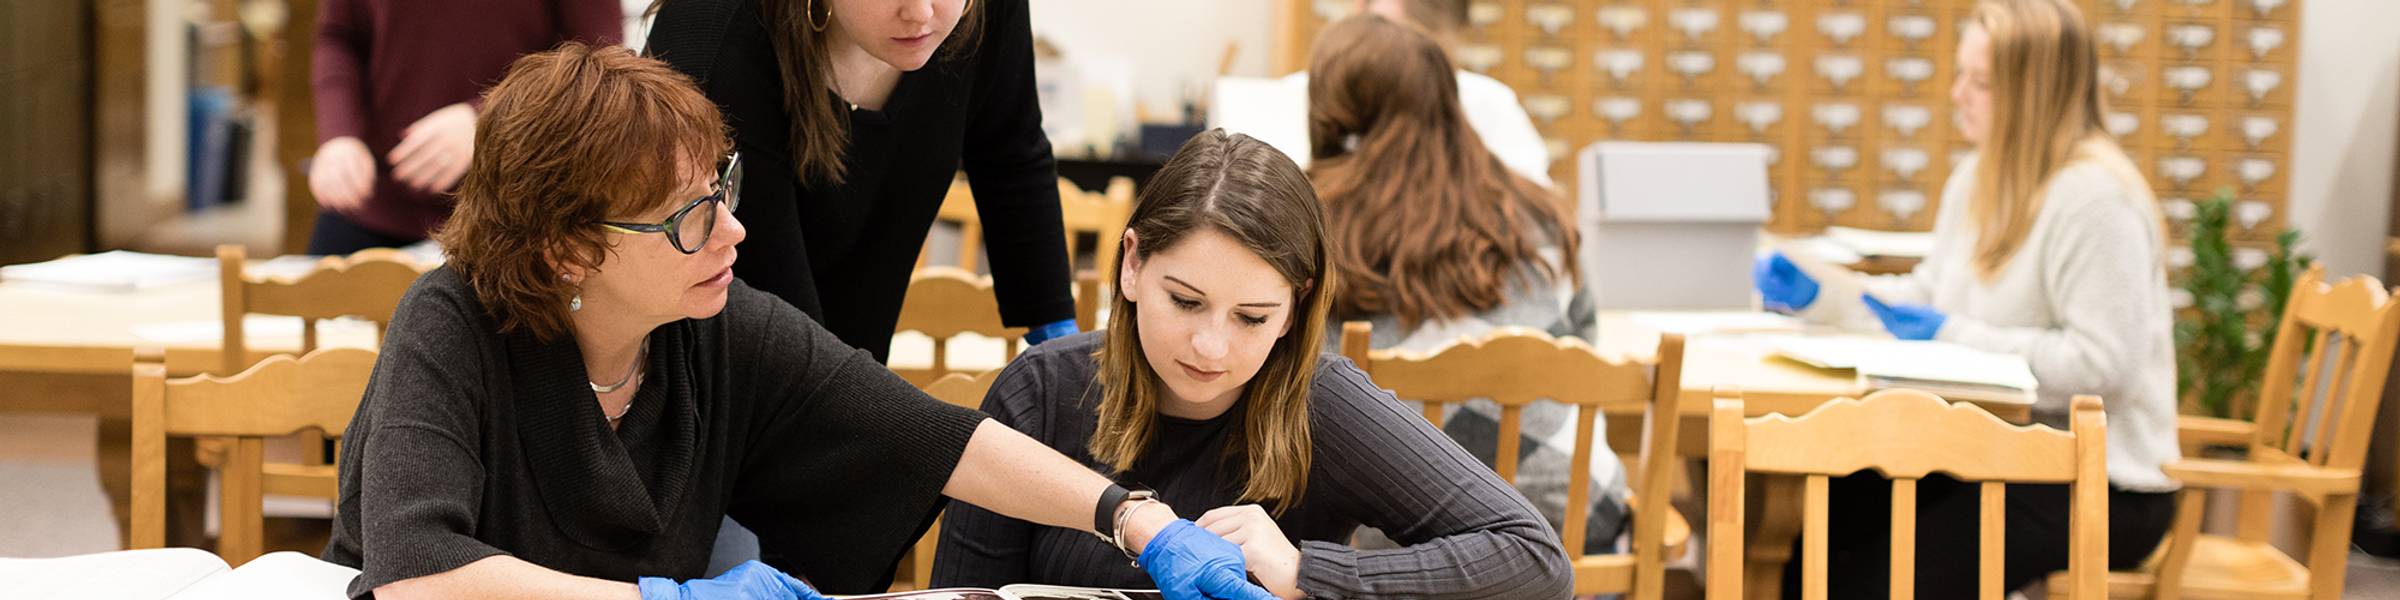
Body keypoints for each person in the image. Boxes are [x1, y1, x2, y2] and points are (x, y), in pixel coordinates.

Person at [321, 44, 1274, 600]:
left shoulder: (712, 325)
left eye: (719, 188)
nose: (732, 228)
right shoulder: (450, 322)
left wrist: (1134, 518)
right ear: (568, 248)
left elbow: (932, 437)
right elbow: (416, 571)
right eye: (690, 215)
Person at [930, 130, 1573, 600]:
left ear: (1295, 307)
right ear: (1131, 264)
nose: (1211, 347)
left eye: (1252, 317)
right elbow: (962, 596)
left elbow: (1537, 559)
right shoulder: (1041, 390)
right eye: (1185, 301)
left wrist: (1306, 573)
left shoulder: (1324, 402)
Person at [1750, 0, 2179, 595]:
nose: (1957, 95)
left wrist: (1955, 336)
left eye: (1980, 82)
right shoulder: (1979, 177)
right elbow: (1925, 299)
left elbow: (2106, 365)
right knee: (1831, 520)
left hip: (2101, 483)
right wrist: (1824, 294)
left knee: (1886, 577)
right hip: (1992, 450)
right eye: (1961, 76)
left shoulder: (2095, 200)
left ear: (2034, 94)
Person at [1303, 14, 1627, 553]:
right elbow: (1582, 346)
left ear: (1330, 112)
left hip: (1397, 539)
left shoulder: (1317, 222)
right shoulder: (1541, 212)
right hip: (1570, 515)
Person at [643, 0, 1080, 361]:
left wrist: (1058, 338)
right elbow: (780, 342)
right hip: (703, 388)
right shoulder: (718, 42)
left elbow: (1010, 150)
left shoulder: (978, 11)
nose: (921, 13)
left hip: (834, 370)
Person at [306, 0, 623, 254]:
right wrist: (339, 135)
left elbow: (598, 59)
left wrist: (488, 117)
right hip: (373, 199)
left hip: (510, 214)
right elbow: (339, 36)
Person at [1230, 0, 1551, 186]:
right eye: (1381, 32)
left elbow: (1534, 218)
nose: (1396, 57)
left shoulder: (1489, 104)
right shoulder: (1288, 98)